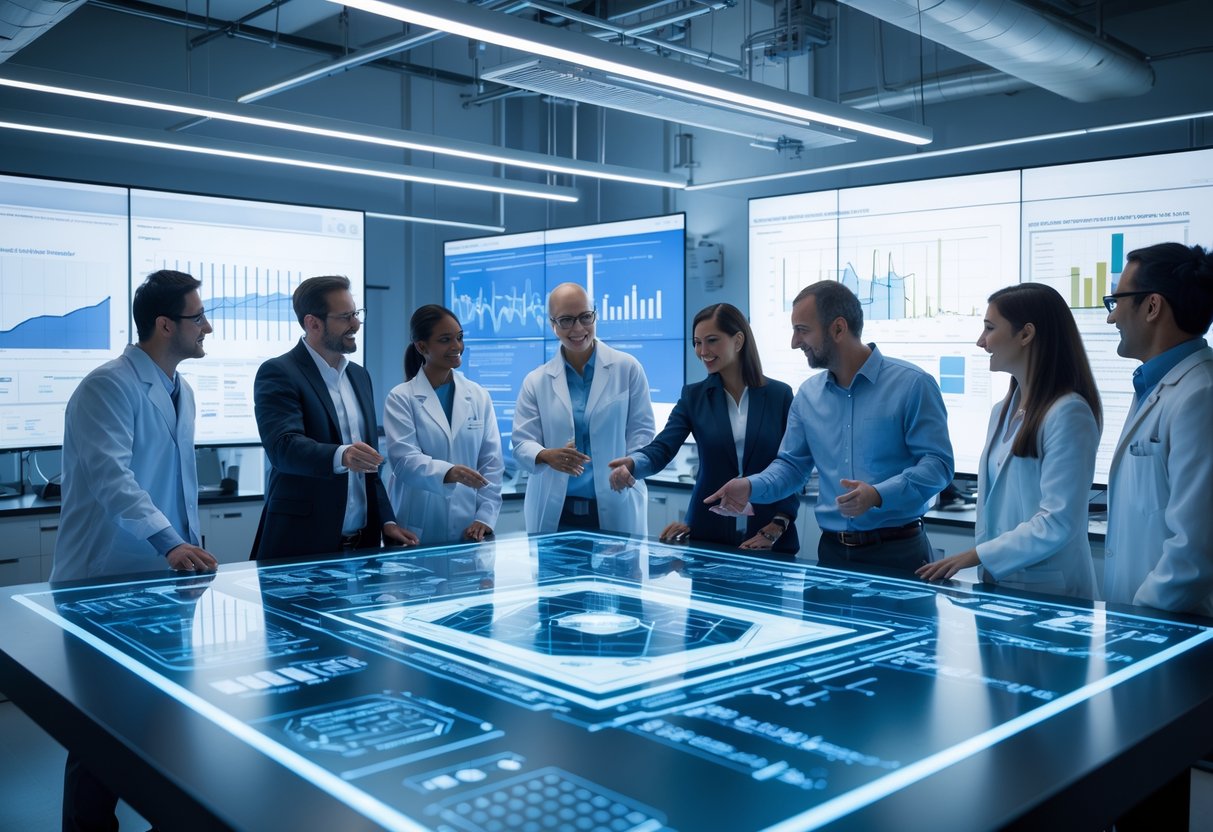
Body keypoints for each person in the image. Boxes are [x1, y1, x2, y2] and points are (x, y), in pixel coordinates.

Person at [52, 269, 218, 832]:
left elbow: (178, 479)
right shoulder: (109, 385)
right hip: (105, 575)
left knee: (162, 719)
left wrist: (189, 541)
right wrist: (171, 542)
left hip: (165, 576)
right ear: (166, 324)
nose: (209, 328)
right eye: (199, 318)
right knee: (101, 730)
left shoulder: (180, 389)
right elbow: (112, 477)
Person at [704, 280, 953, 574]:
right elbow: (792, 468)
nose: (795, 342)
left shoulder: (913, 384)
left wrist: (878, 494)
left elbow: (939, 466)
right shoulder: (808, 395)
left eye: (802, 330)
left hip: (899, 553)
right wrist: (749, 486)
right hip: (831, 554)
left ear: (838, 328)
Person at [916, 284, 1101, 599]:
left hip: (1051, 590)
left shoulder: (1069, 412)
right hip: (1000, 584)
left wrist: (976, 555)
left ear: (1026, 334)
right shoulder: (1000, 411)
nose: (981, 341)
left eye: (989, 328)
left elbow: (1058, 521)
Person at [607, 303, 800, 554]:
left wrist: (777, 525)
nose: (702, 351)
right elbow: (663, 447)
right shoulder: (694, 397)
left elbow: (794, 467)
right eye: (697, 343)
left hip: (767, 535)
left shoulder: (780, 395)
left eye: (711, 341)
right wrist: (633, 463)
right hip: (708, 532)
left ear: (738, 340)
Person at [251, 275, 417, 559]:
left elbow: (370, 465)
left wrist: (387, 520)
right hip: (301, 545)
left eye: (356, 313)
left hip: (362, 547)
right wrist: (342, 456)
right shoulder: (279, 372)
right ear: (312, 323)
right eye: (345, 317)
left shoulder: (358, 376)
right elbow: (283, 447)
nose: (356, 324)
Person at [1103, 242, 1213, 615]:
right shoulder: (1156, 386)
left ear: (1152, 306)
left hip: (1168, 626)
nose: (1111, 317)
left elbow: (1194, 548)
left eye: (1116, 302)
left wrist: (1143, 618)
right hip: (1140, 620)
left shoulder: (1200, 396)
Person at [512, 282, 655, 534]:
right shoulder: (536, 381)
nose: (578, 328)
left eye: (585, 317)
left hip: (615, 503)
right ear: (552, 325)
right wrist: (546, 455)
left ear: (595, 315)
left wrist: (630, 464)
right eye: (566, 320)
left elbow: (642, 432)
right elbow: (522, 443)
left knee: (618, 572)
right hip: (557, 514)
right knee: (555, 573)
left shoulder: (627, 368)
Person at [383, 305, 503, 545]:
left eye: (459, 337)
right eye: (445, 340)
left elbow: (491, 463)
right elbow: (404, 461)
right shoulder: (401, 397)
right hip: (418, 525)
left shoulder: (478, 395)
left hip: (470, 527)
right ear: (422, 346)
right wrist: (448, 472)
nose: (457, 346)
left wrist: (485, 517)